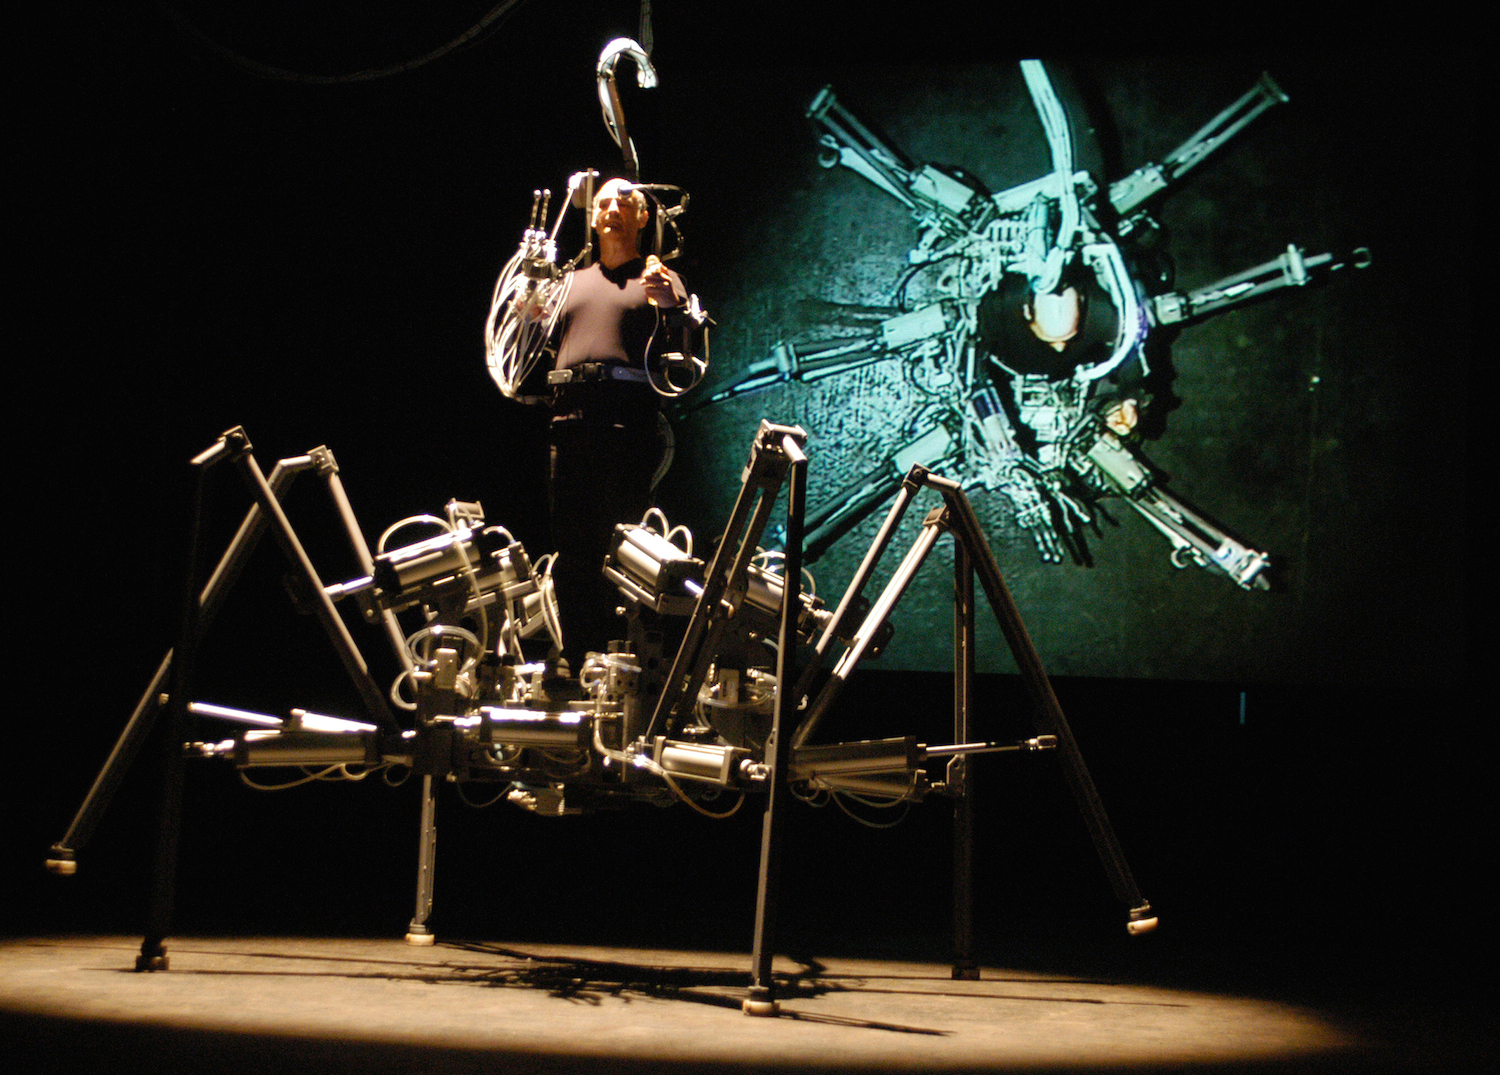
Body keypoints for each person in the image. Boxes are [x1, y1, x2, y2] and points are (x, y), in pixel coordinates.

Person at [543, 178, 704, 667]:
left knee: (622, 548)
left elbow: (686, 352)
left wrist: (671, 305)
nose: (613, 208)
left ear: (643, 217)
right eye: (605, 201)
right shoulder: (569, 283)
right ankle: (575, 657)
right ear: (593, 217)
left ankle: (621, 657)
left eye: (625, 201)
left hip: (625, 430)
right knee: (572, 550)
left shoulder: (658, 281)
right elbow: (532, 343)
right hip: (569, 425)